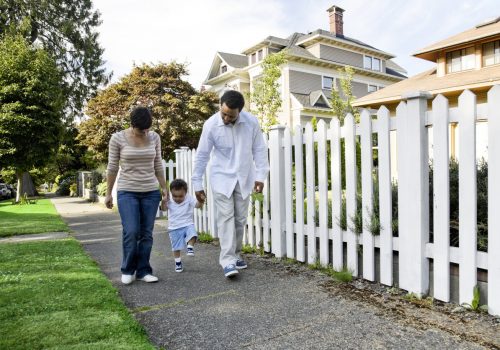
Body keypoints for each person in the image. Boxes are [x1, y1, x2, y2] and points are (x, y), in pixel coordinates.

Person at [192, 90, 269, 278]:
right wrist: (197, 184)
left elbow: (259, 150)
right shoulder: (211, 125)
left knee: (240, 219)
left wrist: (261, 176)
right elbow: (202, 155)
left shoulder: (251, 123)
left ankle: (235, 254)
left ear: (239, 112)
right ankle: (227, 261)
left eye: (231, 115)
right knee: (226, 217)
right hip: (221, 178)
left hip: (243, 178)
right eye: (223, 113)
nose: (226, 118)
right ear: (220, 106)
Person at [105, 106, 168, 285]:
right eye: (142, 129)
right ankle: (128, 269)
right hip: (127, 191)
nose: (146, 131)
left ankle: (143, 270)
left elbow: (158, 164)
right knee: (131, 231)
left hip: (150, 191)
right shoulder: (117, 139)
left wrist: (164, 189)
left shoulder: (154, 137)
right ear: (133, 125)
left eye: (148, 128)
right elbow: (112, 167)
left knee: (146, 234)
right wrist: (108, 193)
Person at [161, 178, 203, 273]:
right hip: (174, 227)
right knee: (176, 247)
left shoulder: (188, 198)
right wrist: (163, 201)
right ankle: (178, 262)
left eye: (180, 196)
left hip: (187, 223)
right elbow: (163, 209)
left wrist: (201, 200)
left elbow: (197, 205)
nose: (177, 199)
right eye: (175, 196)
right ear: (171, 193)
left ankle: (190, 247)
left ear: (185, 193)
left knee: (193, 234)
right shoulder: (169, 199)